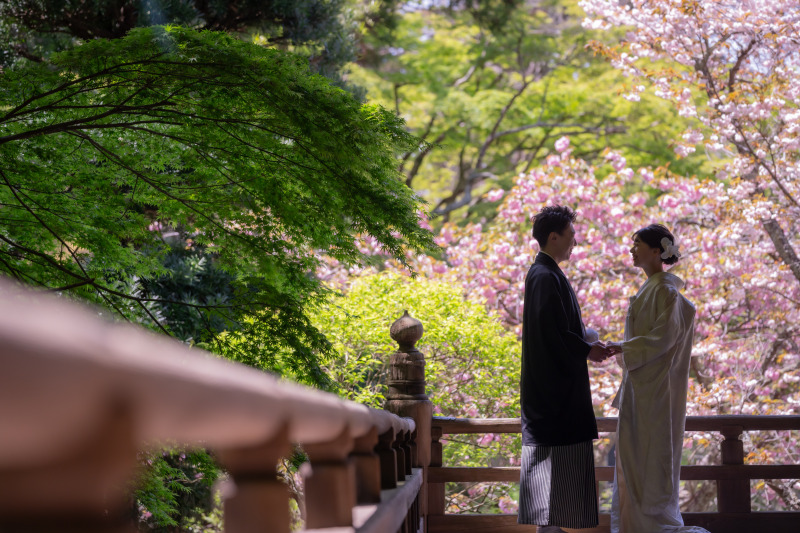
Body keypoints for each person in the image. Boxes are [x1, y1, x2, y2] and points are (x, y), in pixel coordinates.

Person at [605, 224, 709, 533]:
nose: (631, 248)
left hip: (654, 390)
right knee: (636, 461)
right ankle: (637, 525)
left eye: (637, 243)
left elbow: (663, 339)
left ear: (655, 251)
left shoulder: (664, 290)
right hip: (642, 388)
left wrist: (621, 347)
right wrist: (622, 348)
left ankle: (653, 526)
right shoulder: (655, 288)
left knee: (649, 460)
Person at [518, 205, 610, 533]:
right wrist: (587, 348)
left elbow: (557, 330)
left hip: (553, 397)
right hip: (553, 401)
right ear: (553, 236)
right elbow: (551, 333)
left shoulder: (546, 273)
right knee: (551, 498)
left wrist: (586, 344)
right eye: (571, 235)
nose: (575, 241)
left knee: (553, 499)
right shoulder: (544, 275)